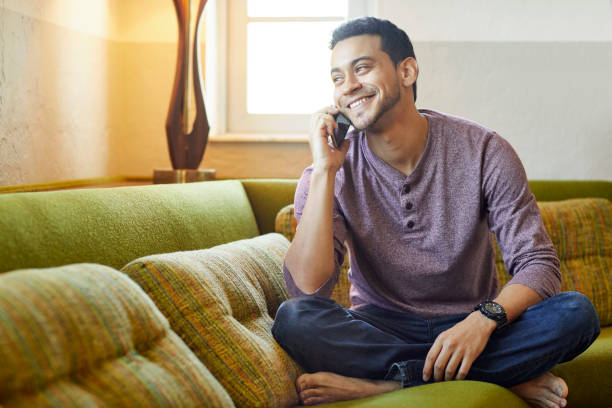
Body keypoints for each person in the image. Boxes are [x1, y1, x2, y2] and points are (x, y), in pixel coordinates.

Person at [270, 17, 601, 408]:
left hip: (473, 324)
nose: (348, 87)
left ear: (407, 70)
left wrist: (482, 321)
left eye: (362, 68)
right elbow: (307, 290)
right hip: (381, 328)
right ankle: (495, 378)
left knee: (576, 314)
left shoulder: (485, 151)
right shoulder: (327, 172)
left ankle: (390, 384)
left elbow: (538, 264)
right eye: (337, 78)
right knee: (295, 319)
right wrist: (325, 170)